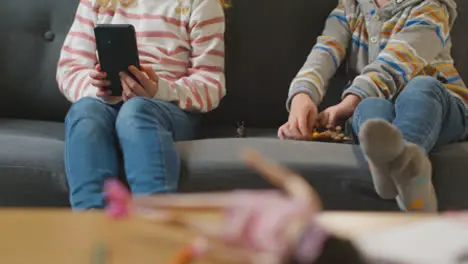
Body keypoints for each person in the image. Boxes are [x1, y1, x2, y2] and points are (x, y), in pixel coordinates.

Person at [279, 0, 467, 212]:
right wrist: (303, 94)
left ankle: (401, 164)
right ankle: (402, 175)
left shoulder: (433, 7)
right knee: (369, 109)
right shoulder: (350, 8)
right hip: (375, 103)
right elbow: (324, 51)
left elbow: (397, 61)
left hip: (440, 107)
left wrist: (349, 102)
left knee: (421, 87)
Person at [56, 0, 226, 210]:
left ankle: (153, 220)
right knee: (85, 111)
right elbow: (70, 70)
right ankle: (92, 223)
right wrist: (100, 89)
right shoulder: (98, 3)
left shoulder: (200, 3)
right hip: (105, 103)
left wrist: (159, 90)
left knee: (136, 110)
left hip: (167, 109)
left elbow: (212, 84)